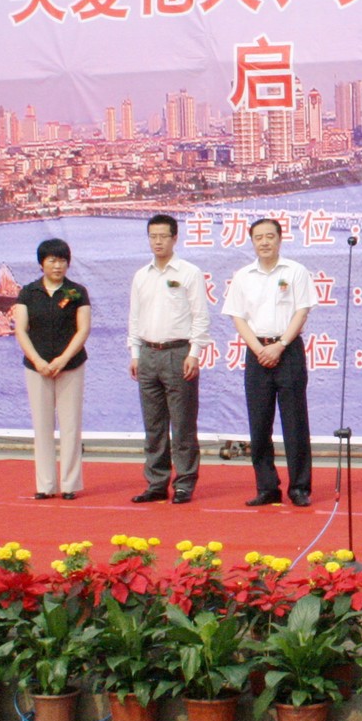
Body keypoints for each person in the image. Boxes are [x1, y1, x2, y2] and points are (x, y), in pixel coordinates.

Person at [223, 217, 317, 507]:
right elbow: (238, 316)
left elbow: (302, 312)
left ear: (280, 239)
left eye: (269, 236)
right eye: (258, 237)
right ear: (252, 241)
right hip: (256, 353)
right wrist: (258, 348)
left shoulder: (295, 271)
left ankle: (299, 487)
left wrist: (280, 345)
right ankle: (266, 487)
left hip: (288, 350)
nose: (264, 242)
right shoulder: (243, 276)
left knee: (295, 423)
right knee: (259, 423)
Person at [126, 213, 211, 504]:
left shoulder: (189, 272)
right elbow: (135, 318)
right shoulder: (142, 275)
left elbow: (200, 316)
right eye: (153, 236)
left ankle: (185, 482)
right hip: (148, 353)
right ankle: (156, 483)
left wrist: (195, 353)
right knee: (154, 424)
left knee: (183, 423)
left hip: (178, 353)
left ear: (175, 238)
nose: (158, 242)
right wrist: (135, 353)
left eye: (163, 236)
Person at [11, 237, 91, 500]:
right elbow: (21, 330)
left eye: (62, 261)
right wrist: (38, 361)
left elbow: (83, 330)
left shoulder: (76, 292)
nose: (58, 266)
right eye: (52, 260)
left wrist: (63, 359)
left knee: (70, 426)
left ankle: (70, 484)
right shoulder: (28, 292)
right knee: (42, 426)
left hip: (71, 366)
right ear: (41, 263)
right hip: (38, 368)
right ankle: (45, 485)